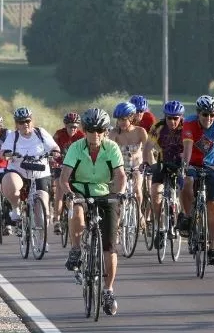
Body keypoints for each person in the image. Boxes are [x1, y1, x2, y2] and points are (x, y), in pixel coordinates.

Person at [61, 108, 126, 316]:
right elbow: (64, 178)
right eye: (90, 129)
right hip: (80, 191)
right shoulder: (75, 148)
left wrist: (121, 193)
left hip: (106, 194)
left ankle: (108, 290)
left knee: (110, 247)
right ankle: (77, 249)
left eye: (99, 130)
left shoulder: (112, 148)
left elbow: (120, 176)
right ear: (84, 130)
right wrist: (70, 193)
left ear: (105, 131)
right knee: (77, 212)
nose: (95, 134)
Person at [179, 95, 214, 266]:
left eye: (212, 115)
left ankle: (213, 248)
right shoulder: (189, 122)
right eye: (205, 114)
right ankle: (187, 215)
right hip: (193, 162)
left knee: (213, 206)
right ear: (198, 113)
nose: (209, 118)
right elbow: (188, 147)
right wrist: (185, 166)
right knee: (187, 183)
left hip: (212, 166)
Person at [0, 107, 60, 235]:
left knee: (42, 208)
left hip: (40, 172)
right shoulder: (13, 136)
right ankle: (16, 208)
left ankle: (40, 240)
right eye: (21, 122)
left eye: (27, 121)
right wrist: (8, 154)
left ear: (32, 121)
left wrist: (55, 152)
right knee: (10, 182)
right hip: (19, 171)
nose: (25, 124)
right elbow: (4, 152)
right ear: (17, 124)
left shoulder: (40, 133)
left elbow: (54, 146)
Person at [142, 100, 185, 245]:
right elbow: (148, 146)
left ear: (180, 117)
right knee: (155, 193)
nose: (172, 121)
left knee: (185, 190)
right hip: (162, 162)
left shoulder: (186, 127)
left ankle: (182, 216)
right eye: (169, 118)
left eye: (176, 118)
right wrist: (148, 163)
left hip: (180, 163)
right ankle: (160, 227)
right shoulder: (158, 126)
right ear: (165, 117)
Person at [108, 102, 148, 230]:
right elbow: (108, 153)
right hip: (120, 168)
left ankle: (139, 212)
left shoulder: (140, 131)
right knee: (118, 196)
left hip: (137, 167)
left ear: (131, 118)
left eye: (124, 119)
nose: (121, 122)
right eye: (119, 120)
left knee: (137, 189)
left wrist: (150, 164)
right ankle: (117, 226)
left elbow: (148, 150)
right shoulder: (114, 133)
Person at [51, 112, 85, 234]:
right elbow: (52, 147)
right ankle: (57, 219)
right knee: (59, 190)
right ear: (66, 126)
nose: (73, 129)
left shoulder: (81, 136)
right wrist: (53, 158)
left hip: (74, 167)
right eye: (70, 126)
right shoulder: (59, 134)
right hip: (60, 165)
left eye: (75, 126)